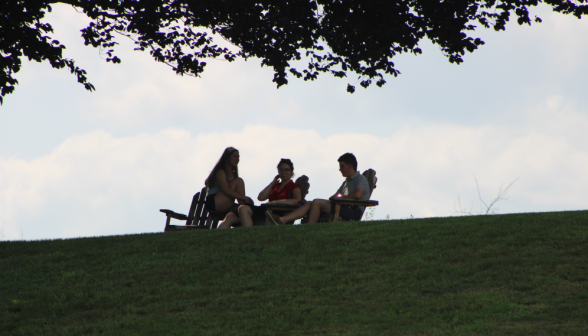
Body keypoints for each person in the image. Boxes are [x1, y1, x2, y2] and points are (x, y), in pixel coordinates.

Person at [266, 153, 369, 224]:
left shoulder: (361, 179)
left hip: (353, 211)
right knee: (310, 203)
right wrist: (335, 197)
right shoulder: (346, 182)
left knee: (317, 202)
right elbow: (335, 195)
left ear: (350, 165)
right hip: (342, 207)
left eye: (342, 166)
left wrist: (342, 197)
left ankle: (309, 228)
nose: (339, 169)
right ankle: (282, 220)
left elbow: (358, 194)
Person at [218, 158, 302, 228]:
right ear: (278, 171)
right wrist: (273, 182)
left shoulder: (294, 186)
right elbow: (261, 197)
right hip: (265, 210)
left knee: (243, 208)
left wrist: (277, 202)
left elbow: (297, 200)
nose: (284, 172)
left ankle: (249, 235)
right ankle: (214, 239)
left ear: (291, 172)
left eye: (287, 170)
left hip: (275, 212)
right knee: (231, 215)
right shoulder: (275, 186)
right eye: (281, 169)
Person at [204, 147, 254, 218]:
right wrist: (244, 198)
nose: (237, 159)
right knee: (239, 181)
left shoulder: (233, 174)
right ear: (227, 157)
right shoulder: (221, 171)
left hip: (224, 201)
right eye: (235, 156)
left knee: (246, 208)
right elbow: (226, 190)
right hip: (214, 202)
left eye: (238, 157)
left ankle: (244, 208)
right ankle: (244, 205)